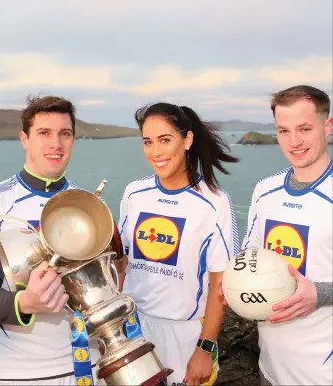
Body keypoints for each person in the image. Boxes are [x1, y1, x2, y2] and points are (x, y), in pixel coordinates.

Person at [0, 95, 122, 386]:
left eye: (65, 133)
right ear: (24, 139)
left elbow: (112, 280)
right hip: (18, 374)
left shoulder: (87, 203)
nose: (56, 144)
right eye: (44, 133)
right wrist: (25, 302)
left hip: (87, 368)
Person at [118, 102, 240, 386]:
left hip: (185, 337)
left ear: (187, 140)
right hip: (133, 332)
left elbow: (220, 284)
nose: (155, 152)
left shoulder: (214, 202)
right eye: (148, 142)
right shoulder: (134, 193)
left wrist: (204, 349)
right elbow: (121, 262)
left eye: (165, 140)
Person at [240, 85, 333, 386]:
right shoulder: (264, 191)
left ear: (328, 126)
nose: (294, 142)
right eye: (283, 131)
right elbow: (249, 258)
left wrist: (319, 294)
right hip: (271, 368)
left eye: (304, 128)